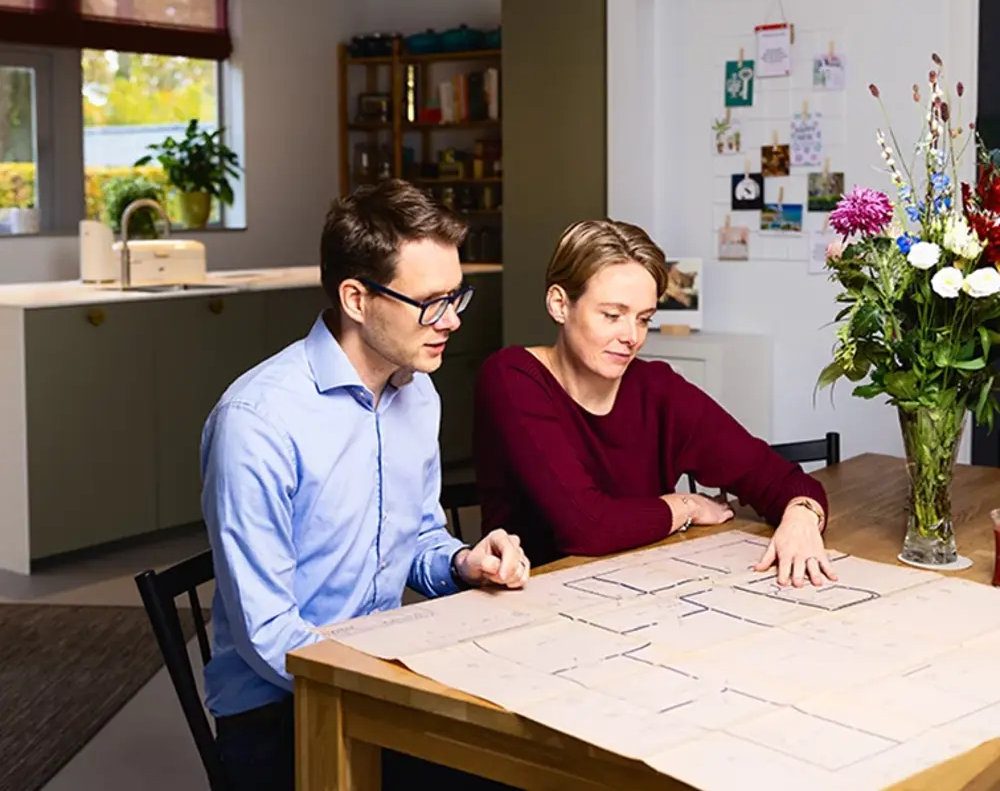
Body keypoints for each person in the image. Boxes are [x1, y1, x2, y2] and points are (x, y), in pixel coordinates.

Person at [202, 179, 528, 791]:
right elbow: (269, 634)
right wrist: (394, 688)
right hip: (277, 708)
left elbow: (419, 537)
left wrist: (463, 563)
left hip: (375, 671)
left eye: (457, 297)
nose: (452, 320)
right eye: (431, 302)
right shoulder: (258, 422)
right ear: (356, 297)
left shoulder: (417, 390)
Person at [474, 218, 836, 588]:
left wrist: (802, 518)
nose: (631, 337)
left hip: (640, 591)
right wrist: (687, 506)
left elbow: (778, 479)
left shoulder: (658, 390)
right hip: (532, 605)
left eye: (644, 319)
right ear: (559, 304)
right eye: (612, 315)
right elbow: (587, 527)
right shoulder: (511, 377)